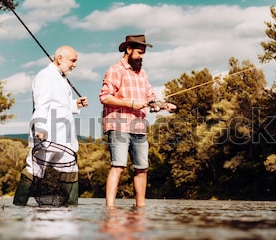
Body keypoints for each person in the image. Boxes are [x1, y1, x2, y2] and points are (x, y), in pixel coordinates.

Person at [99, 34, 176, 207]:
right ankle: (109, 208)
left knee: (142, 168)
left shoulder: (142, 74)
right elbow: (104, 97)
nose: (142, 57)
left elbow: (150, 98)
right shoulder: (115, 70)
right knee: (118, 166)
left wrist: (163, 105)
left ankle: (141, 207)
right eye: (139, 53)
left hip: (139, 127)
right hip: (119, 125)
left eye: (143, 54)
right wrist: (132, 104)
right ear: (128, 49)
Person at [13, 45, 89, 206]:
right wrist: (40, 128)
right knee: (34, 170)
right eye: (72, 60)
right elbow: (42, 104)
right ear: (60, 58)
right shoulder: (45, 76)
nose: (74, 64)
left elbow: (61, 105)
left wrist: (76, 105)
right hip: (48, 137)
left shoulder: (61, 78)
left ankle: (71, 211)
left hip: (66, 139)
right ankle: (18, 208)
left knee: (70, 171)